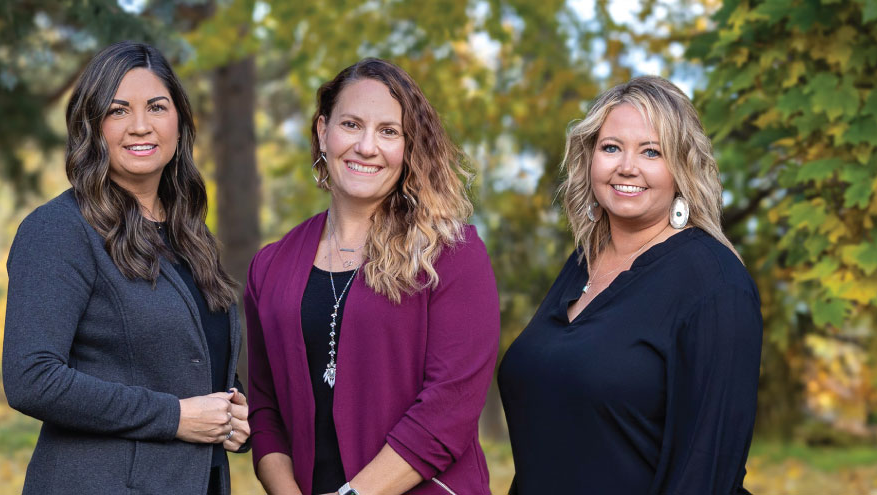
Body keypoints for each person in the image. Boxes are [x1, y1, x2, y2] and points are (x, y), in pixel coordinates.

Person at [244, 58, 500, 495]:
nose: (366, 146)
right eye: (351, 124)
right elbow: (266, 410)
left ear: (409, 147)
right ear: (323, 131)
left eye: (388, 131)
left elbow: (448, 409)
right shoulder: (271, 267)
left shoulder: (451, 254)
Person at [2, 41, 248, 495]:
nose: (141, 126)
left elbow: (180, 361)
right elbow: (30, 378)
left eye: (157, 107)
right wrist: (174, 417)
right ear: (92, 127)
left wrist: (232, 410)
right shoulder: (59, 230)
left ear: (179, 122)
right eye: (118, 111)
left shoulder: (190, 234)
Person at [498, 76, 763, 494]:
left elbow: (707, 471)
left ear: (682, 167)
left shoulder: (715, 282)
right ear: (590, 158)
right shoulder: (584, 260)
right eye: (611, 147)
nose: (627, 166)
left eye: (651, 151)